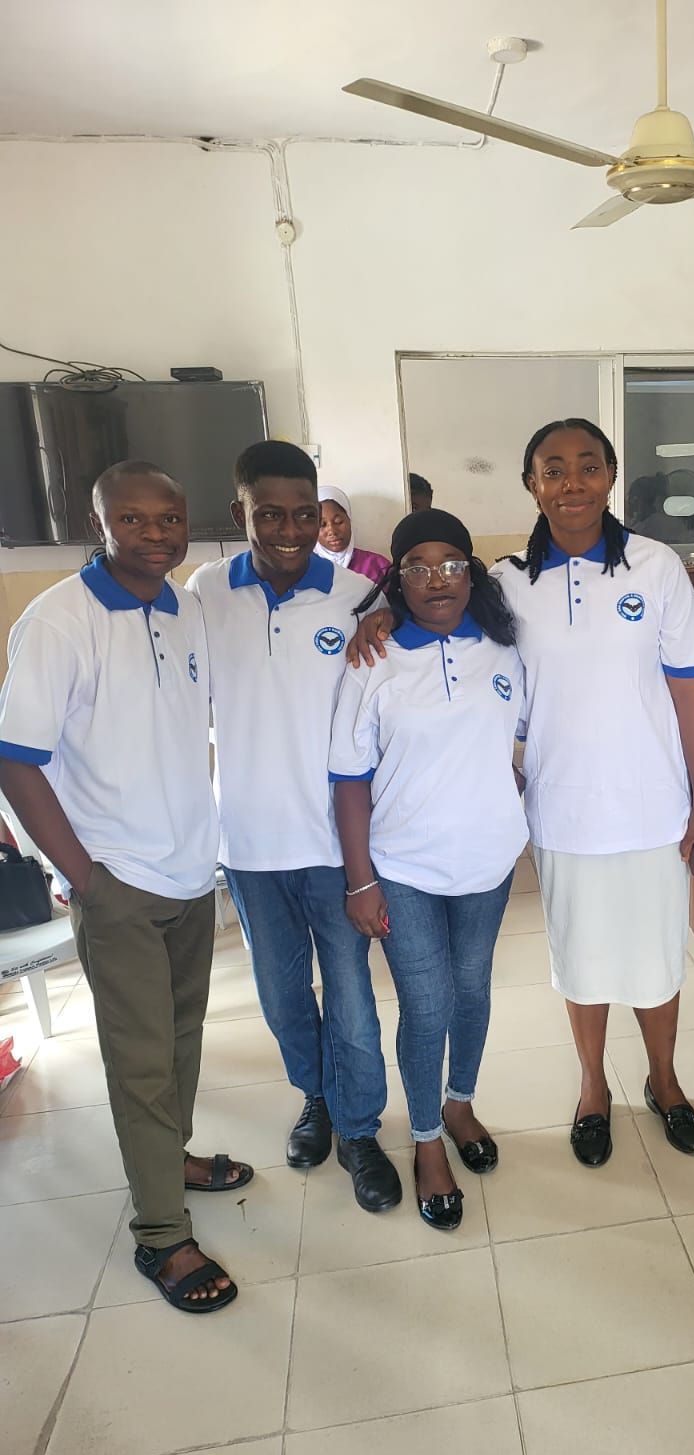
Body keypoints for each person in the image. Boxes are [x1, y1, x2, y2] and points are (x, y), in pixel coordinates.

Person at [352, 420, 694, 1166]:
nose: (572, 482)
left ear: (612, 476)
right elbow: (442, 614)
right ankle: (593, 1090)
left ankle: (665, 1081)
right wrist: (381, 611)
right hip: (560, 809)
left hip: (654, 806)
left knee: (656, 961)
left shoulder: (656, 570)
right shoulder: (508, 581)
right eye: (553, 470)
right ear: (532, 485)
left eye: (588, 466)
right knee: (581, 963)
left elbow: (691, 693)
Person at [0, 462, 250, 1313]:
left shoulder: (184, 609)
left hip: (187, 865)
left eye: (169, 518)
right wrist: (83, 878)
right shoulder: (58, 622)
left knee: (181, 1036)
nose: (156, 534)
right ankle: (160, 1233)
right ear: (99, 522)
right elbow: (15, 759)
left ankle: (168, 1160)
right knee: (140, 1060)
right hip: (115, 882)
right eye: (135, 520)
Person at [188, 442, 398, 1212]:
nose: (288, 528)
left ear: (320, 515)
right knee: (281, 997)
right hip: (246, 843)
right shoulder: (206, 591)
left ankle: (362, 1127)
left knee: (349, 997)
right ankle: (314, 1098)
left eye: (303, 513)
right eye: (268, 513)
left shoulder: (354, 598)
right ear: (239, 511)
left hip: (331, 845)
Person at [331, 510, 526, 1228]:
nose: (436, 578)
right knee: (429, 1002)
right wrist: (360, 879)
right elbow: (349, 778)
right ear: (398, 579)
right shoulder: (372, 660)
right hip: (404, 866)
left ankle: (460, 1104)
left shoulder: (507, 650)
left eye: (452, 563)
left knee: (472, 988)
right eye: (418, 565)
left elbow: (537, 733)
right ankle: (424, 1141)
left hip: (489, 859)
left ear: (473, 572)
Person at [315, 485, 391, 584]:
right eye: (322, 525)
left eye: (338, 521)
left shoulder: (379, 566)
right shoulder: (303, 570)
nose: (332, 531)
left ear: (349, 519)